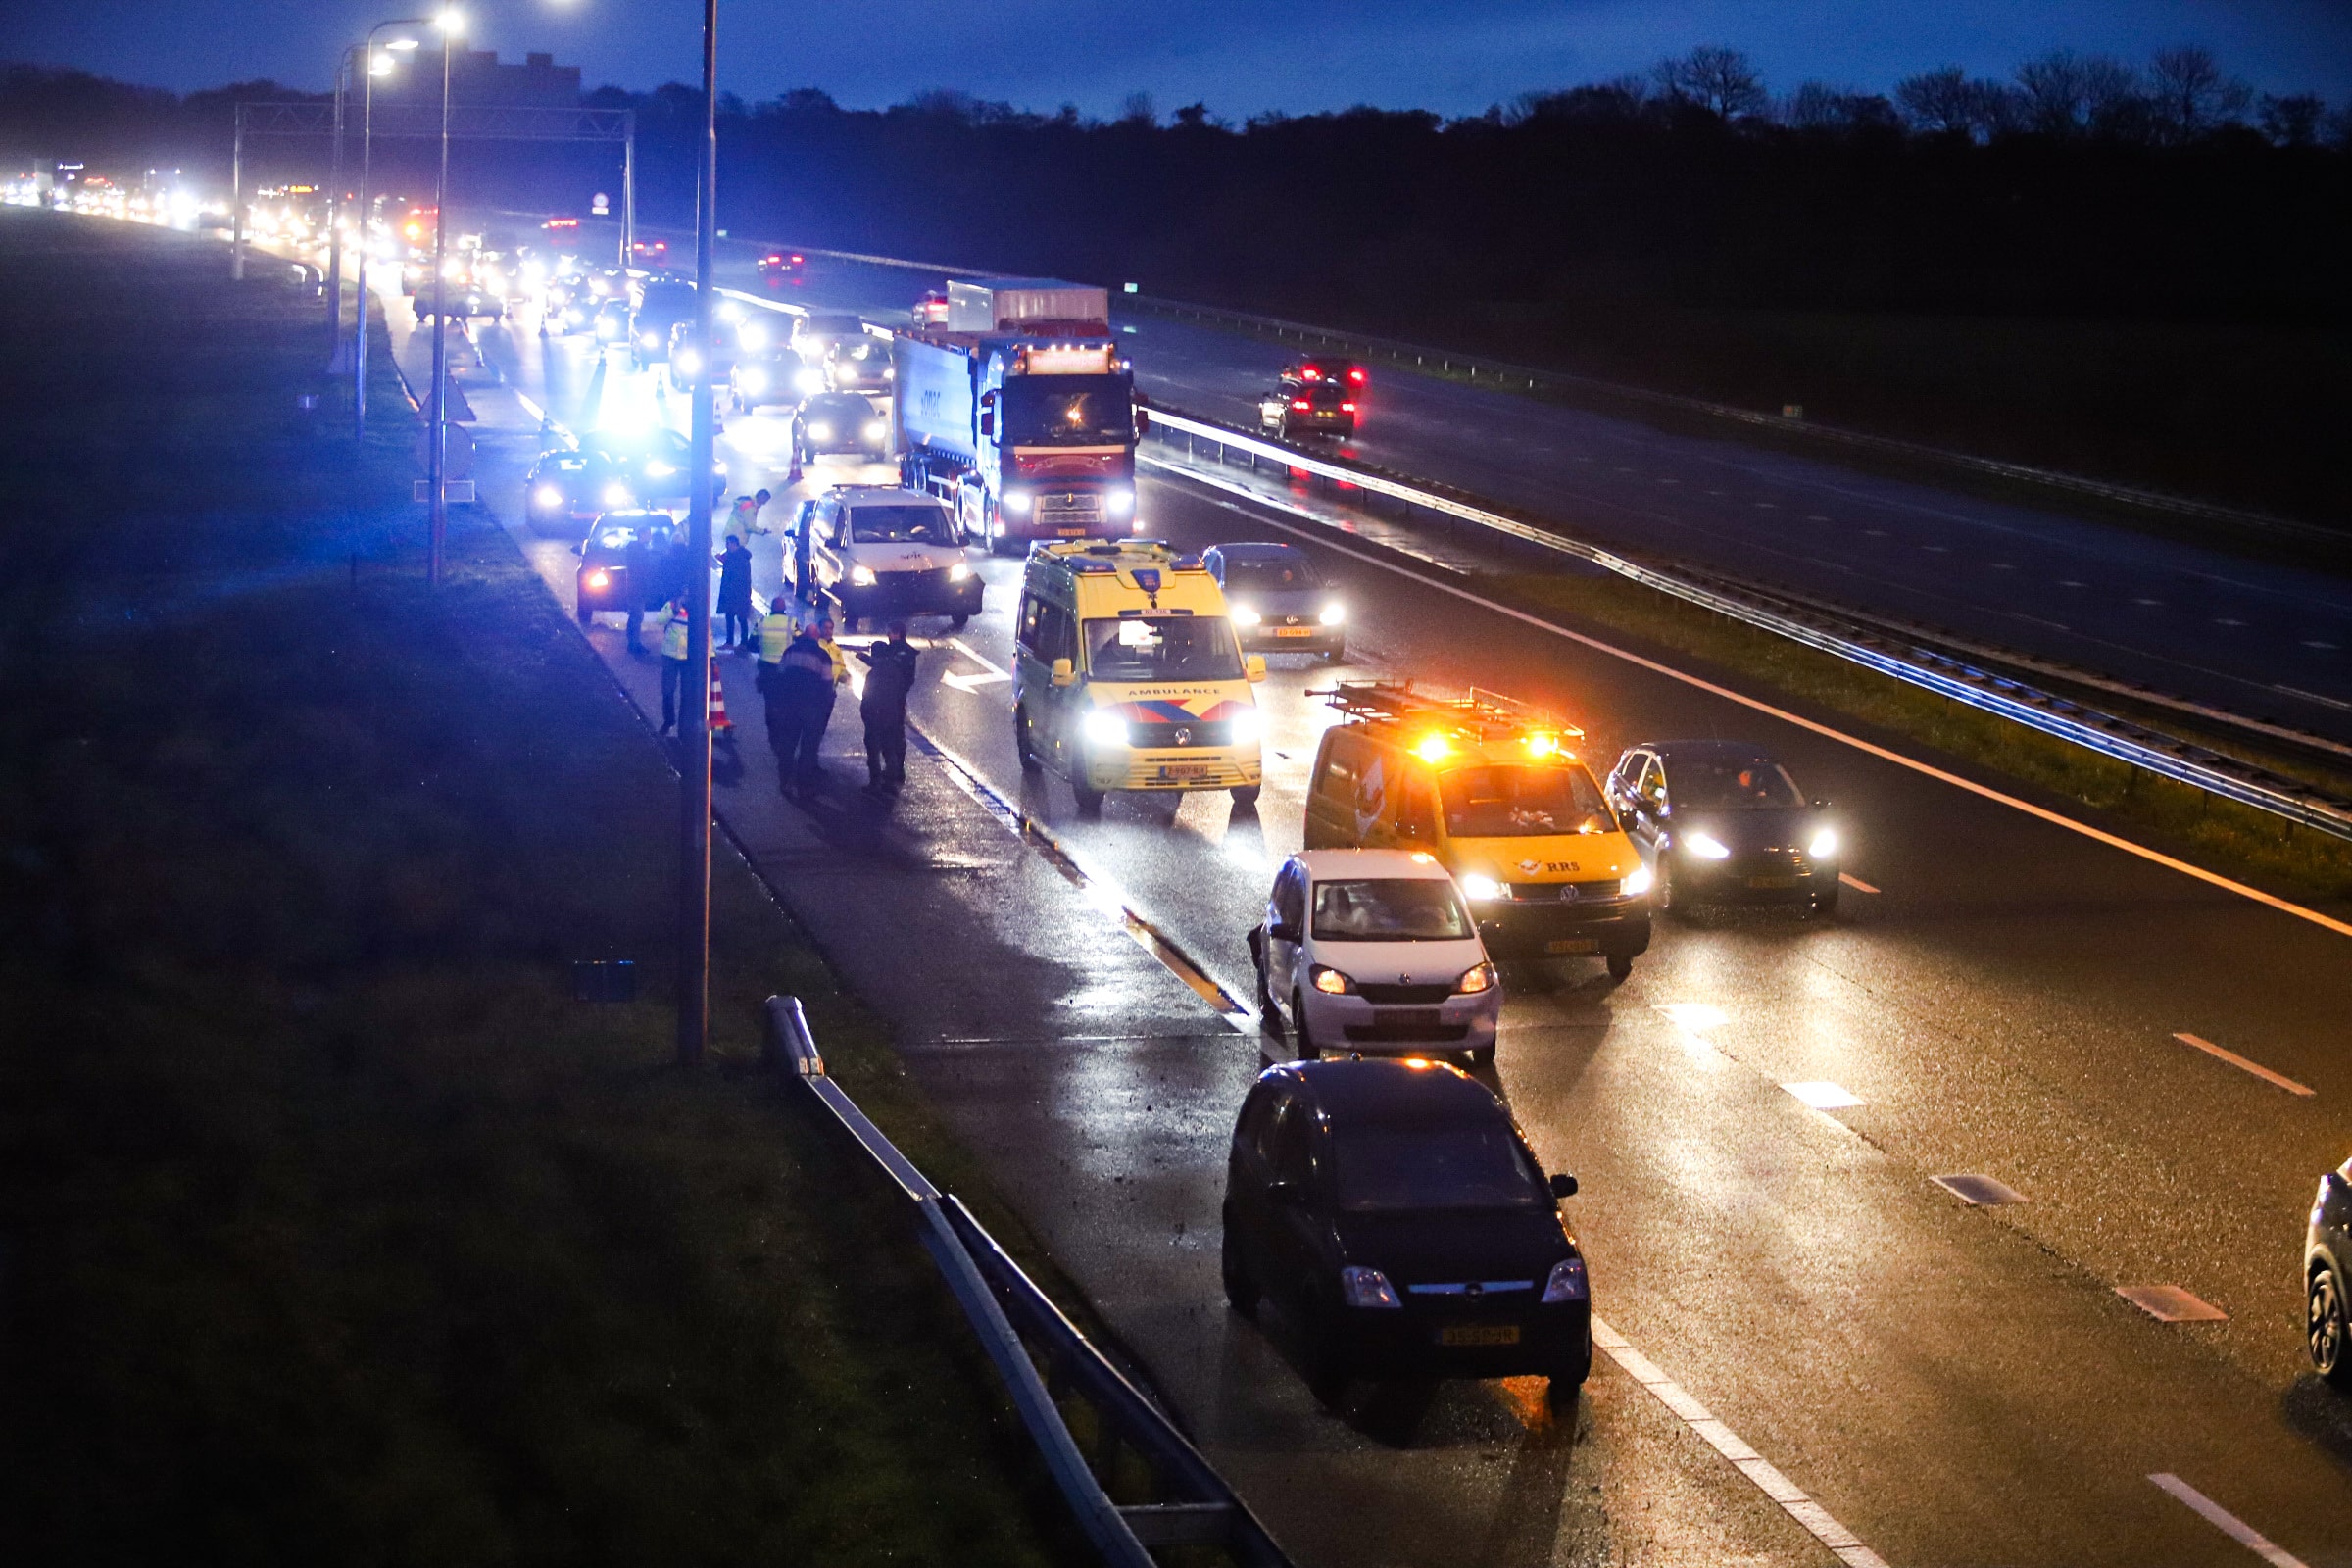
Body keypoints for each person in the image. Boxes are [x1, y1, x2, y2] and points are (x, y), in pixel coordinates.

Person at [758, 621, 834, 797]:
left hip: (789, 707)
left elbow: (780, 676)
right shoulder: (823, 656)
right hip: (812, 709)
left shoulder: (789, 651)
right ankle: (803, 786)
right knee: (808, 749)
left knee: (788, 745)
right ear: (816, 637)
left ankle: (785, 782)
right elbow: (827, 685)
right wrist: (825, 708)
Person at [858, 621, 920, 791]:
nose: (888, 635)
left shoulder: (895, 656)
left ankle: (878, 780)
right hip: (895, 704)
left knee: (876, 746)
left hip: (880, 709)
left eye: (890, 632)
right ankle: (894, 774)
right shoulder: (903, 656)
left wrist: (866, 713)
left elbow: (868, 695)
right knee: (893, 741)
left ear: (897, 633)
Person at [657, 595, 692, 735]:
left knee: (686, 694)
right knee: (667, 691)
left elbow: (707, 633)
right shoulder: (671, 605)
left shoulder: (698, 607)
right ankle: (669, 721)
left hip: (687, 657)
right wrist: (674, 610)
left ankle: (683, 727)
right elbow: (660, 620)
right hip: (670, 655)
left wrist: (711, 655)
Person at [716, 535, 754, 651]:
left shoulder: (739, 558)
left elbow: (737, 576)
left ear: (734, 544)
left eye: (728, 544)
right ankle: (733, 642)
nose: (727, 547)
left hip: (737, 593)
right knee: (731, 616)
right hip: (734, 593)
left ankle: (742, 642)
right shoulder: (737, 556)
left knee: (740, 617)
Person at [622, 527, 656, 653]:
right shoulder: (639, 551)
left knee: (636, 615)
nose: (650, 537)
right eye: (648, 534)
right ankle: (634, 644)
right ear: (642, 535)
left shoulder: (635, 549)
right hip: (637, 588)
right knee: (636, 616)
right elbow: (642, 571)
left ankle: (634, 643)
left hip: (635, 587)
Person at [756, 597, 798, 666]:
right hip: (784, 664)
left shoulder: (761, 622)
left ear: (771, 607)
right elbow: (800, 640)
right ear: (784, 608)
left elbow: (751, 645)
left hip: (764, 663)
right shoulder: (791, 623)